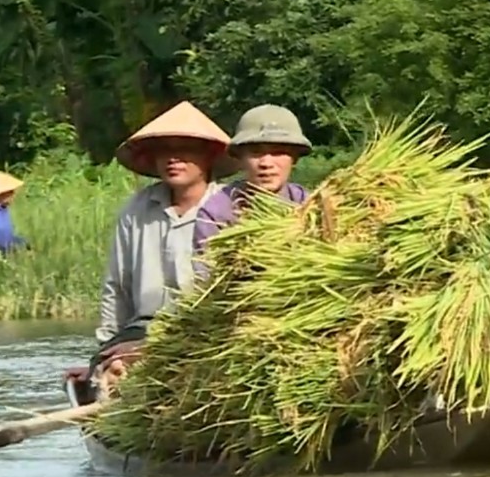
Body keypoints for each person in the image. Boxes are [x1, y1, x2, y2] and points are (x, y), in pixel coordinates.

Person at [70, 101, 231, 391]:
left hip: (203, 330)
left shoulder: (228, 208)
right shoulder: (136, 209)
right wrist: (107, 346)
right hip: (144, 329)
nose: (173, 159)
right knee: (114, 369)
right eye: (165, 151)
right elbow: (116, 285)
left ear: (208, 156)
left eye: (185, 150)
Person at [192, 104, 312, 266]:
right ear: (240, 158)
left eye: (277, 152)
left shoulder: (309, 204)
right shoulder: (217, 214)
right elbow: (207, 276)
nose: (266, 163)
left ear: (295, 158)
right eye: (256, 152)